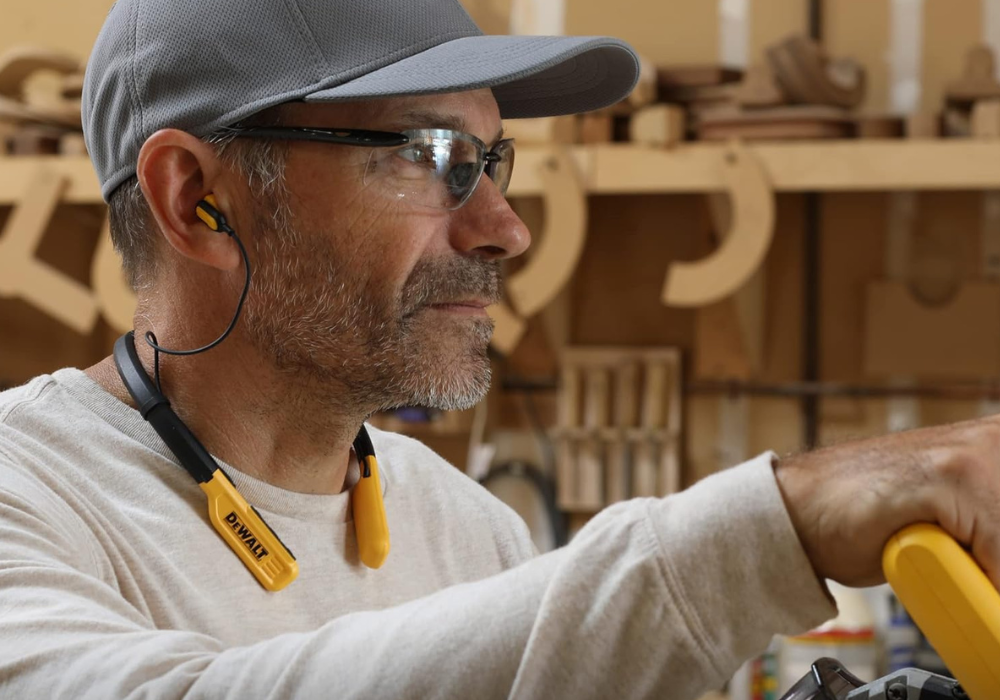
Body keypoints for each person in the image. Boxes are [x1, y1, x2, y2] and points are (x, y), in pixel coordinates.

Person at [1, 0, 999, 697]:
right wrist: (772, 524)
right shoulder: (30, 496)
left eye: (490, 161)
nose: (502, 228)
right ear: (195, 199)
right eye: (427, 155)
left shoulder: (471, 534)